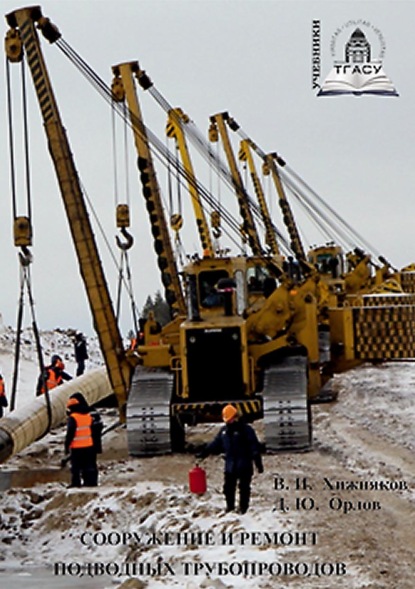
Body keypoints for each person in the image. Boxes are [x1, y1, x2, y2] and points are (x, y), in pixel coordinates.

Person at [199, 404, 264, 514]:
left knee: (244, 488)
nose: (228, 422)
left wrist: (258, 463)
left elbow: (254, 447)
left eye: (230, 419)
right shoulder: (224, 432)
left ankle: (243, 508)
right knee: (228, 488)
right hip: (230, 466)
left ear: (236, 417)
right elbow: (215, 444)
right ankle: (230, 507)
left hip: (244, 465)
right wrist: (203, 453)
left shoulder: (246, 430)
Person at [64, 392, 103, 487]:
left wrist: (66, 446)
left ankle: (76, 483)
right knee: (90, 465)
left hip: (77, 447)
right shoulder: (90, 414)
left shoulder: (74, 417)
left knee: (76, 467)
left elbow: (70, 433)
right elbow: (97, 429)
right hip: (90, 445)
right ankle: (91, 482)